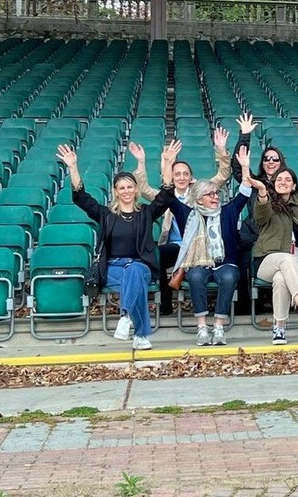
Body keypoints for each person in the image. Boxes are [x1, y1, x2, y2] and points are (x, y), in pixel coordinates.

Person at [57, 141, 177, 351]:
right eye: (122, 188)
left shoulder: (146, 213)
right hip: (113, 268)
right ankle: (140, 335)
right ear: (115, 191)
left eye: (130, 187)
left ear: (136, 189)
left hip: (141, 266)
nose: (126, 191)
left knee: (135, 271)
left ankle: (125, 316)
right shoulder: (106, 214)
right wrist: (73, 167)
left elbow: (165, 196)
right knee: (135, 282)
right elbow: (81, 198)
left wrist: (168, 163)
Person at [130, 127, 231, 316]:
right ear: (171, 176)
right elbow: (143, 188)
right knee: (157, 254)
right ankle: (165, 305)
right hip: (177, 245)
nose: (182, 177)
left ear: (191, 177)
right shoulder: (165, 196)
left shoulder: (201, 192)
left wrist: (221, 149)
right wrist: (141, 163)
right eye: (177, 174)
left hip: (201, 244)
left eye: (185, 174)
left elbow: (223, 175)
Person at [165, 144, 254, 346]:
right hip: (199, 263)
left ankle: (219, 326)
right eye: (210, 194)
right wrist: (168, 163)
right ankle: (202, 327)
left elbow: (245, 191)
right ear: (198, 198)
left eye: (216, 193)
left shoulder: (228, 211)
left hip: (225, 263)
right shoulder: (188, 214)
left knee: (229, 276)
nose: (215, 197)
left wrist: (245, 168)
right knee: (196, 276)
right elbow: (168, 196)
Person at [244, 164, 298, 345]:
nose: (283, 182)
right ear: (273, 184)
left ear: (294, 186)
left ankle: (279, 328)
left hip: (296, 257)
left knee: (281, 279)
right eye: (279, 179)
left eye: (288, 179)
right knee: (286, 259)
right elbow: (260, 215)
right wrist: (262, 192)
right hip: (267, 258)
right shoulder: (266, 202)